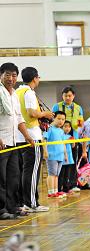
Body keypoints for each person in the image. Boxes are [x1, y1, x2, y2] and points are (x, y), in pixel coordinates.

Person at [0, 63, 35, 219]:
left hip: (13, 142)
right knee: (1, 178)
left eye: (14, 75)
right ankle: (1, 210)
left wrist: (27, 136)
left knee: (13, 176)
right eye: (7, 75)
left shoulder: (14, 94)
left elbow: (19, 118)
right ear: (1, 75)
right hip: (2, 142)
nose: (11, 78)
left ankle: (12, 207)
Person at [15, 67, 52, 213]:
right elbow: (32, 112)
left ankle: (25, 202)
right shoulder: (29, 92)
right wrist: (46, 114)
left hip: (19, 136)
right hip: (31, 137)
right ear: (35, 78)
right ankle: (31, 203)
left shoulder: (18, 91)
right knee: (32, 171)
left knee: (24, 170)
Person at [43, 111, 67, 199]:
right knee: (51, 174)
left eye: (63, 119)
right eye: (59, 119)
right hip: (52, 155)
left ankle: (55, 191)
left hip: (60, 156)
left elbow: (63, 143)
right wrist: (45, 151)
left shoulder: (61, 131)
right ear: (54, 118)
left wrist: (65, 154)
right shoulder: (49, 128)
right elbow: (44, 140)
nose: (61, 121)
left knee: (56, 174)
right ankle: (50, 192)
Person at [59, 121, 79, 193]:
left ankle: (66, 188)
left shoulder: (69, 136)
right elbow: (63, 144)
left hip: (69, 158)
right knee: (61, 174)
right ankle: (59, 189)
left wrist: (73, 141)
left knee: (67, 174)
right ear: (62, 127)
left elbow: (73, 146)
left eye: (69, 127)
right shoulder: (61, 135)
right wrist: (65, 156)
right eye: (65, 126)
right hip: (63, 157)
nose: (67, 128)